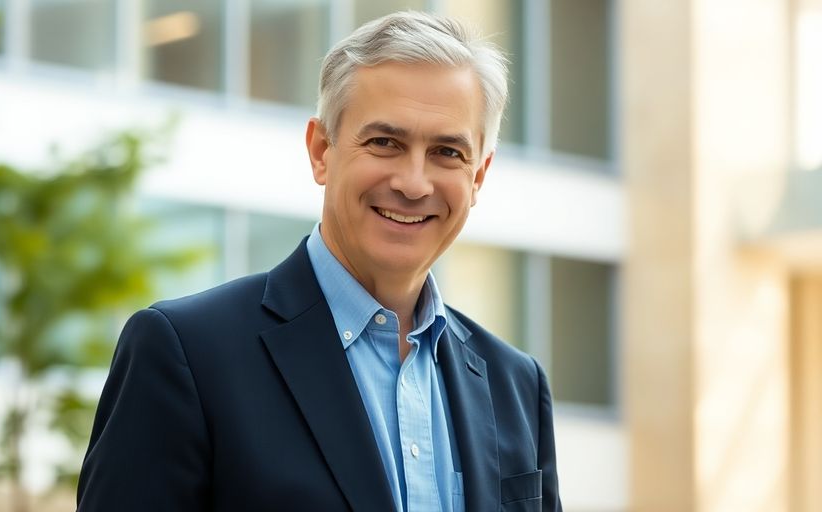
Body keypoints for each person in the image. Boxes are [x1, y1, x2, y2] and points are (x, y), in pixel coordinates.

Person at [77, 10, 562, 512]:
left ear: (479, 175)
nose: (414, 183)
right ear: (321, 150)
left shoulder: (517, 384)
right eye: (385, 143)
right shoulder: (186, 355)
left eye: (446, 152)